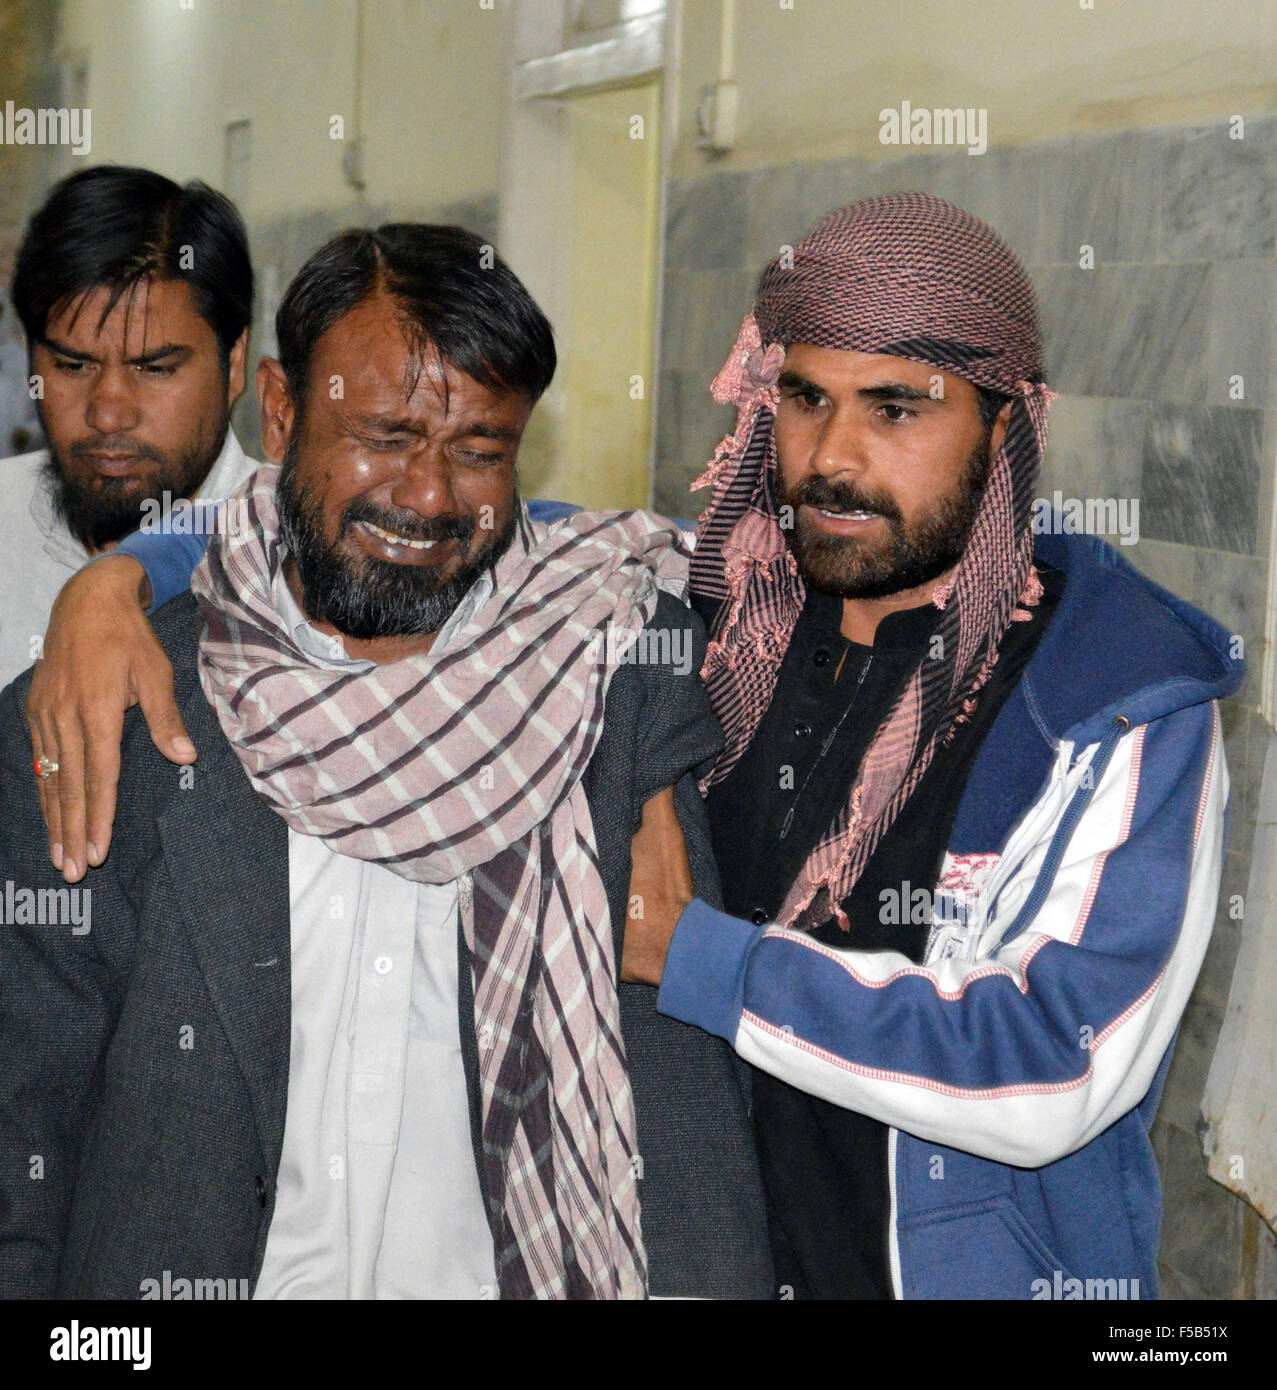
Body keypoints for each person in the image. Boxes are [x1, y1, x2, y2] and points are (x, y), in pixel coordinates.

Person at [0, 223, 770, 1299]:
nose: (426, 496)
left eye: (478, 450)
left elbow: (677, 1086)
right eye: (383, 435)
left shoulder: (609, 682)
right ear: (277, 409)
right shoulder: (115, 704)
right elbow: (21, 1108)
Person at [634, 192, 1241, 1298]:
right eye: (804, 400)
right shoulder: (723, 625)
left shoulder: (1112, 697)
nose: (832, 458)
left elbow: (1053, 1063)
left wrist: (702, 960)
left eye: (897, 411)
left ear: (1002, 427)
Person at [0, 165, 258, 687]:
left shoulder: (302, 561)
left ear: (234, 363)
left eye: (155, 369)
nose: (108, 415)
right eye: (73, 366)